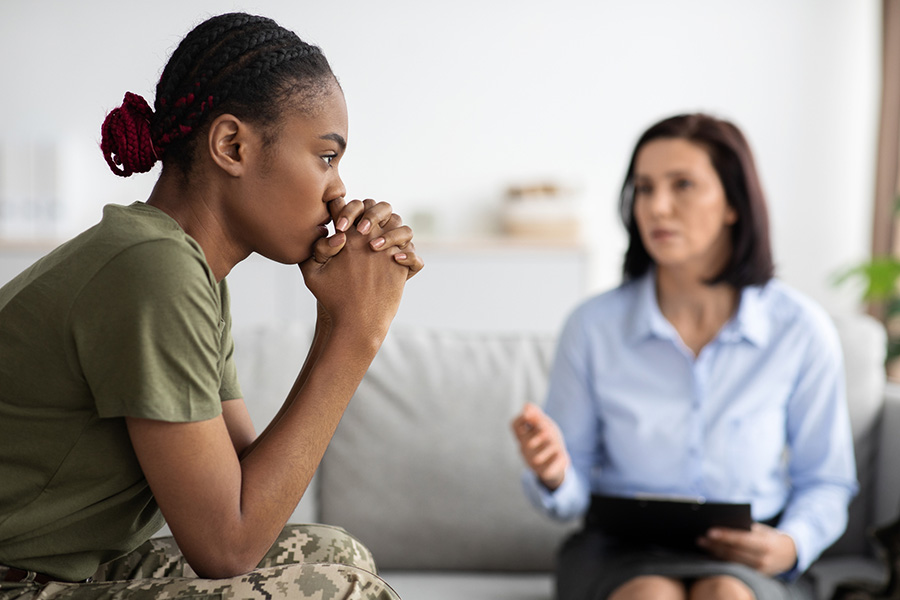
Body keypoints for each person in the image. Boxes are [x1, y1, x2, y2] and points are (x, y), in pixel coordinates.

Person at [0, 12, 423, 600]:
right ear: (232, 145)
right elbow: (228, 544)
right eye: (326, 157)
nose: (338, 190)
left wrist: (338, 323)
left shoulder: (185, 269)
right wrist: (358, 333)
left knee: (337, 554)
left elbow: (247, 491)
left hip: (60, 571)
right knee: (341, 591)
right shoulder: (153, 270)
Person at [511, 113, 857, 600]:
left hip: (747, 554)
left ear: (734, 204)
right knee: (650, 595)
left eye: (683, 186)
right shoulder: (592, 327)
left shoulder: (800, 330)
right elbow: (570, 499)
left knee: (727, 595)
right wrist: (554, 473)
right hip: (619, 551)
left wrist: (791, 545)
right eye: (645, 188)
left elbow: (826, 479)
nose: (657, 207)